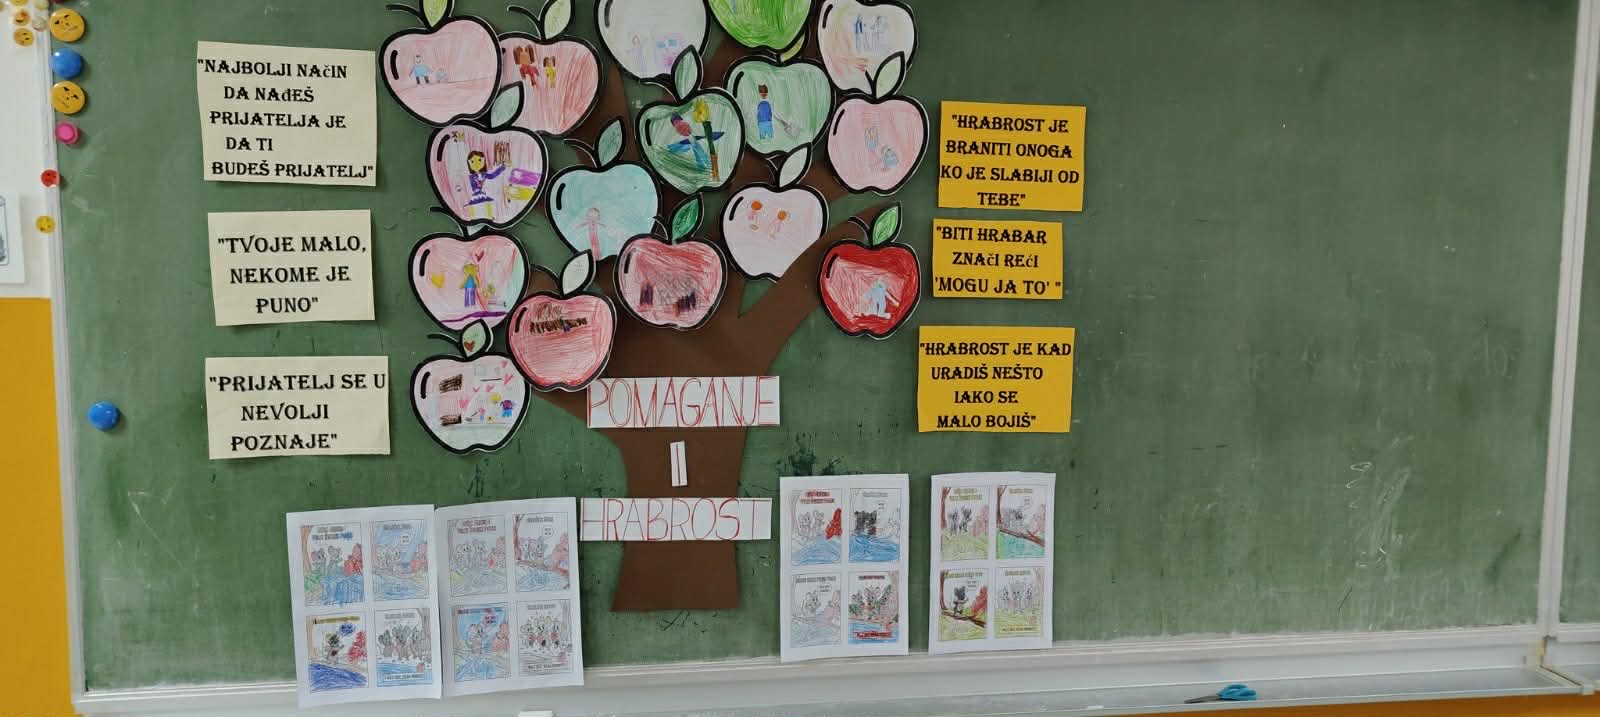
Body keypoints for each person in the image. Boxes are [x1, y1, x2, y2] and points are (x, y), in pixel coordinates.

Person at [464, 150, 507, 220]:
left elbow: (492, 175)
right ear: (469, 164)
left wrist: (502, 168)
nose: (476, 164)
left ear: (483, 161)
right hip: (476, 193)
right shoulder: (472, 176)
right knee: (473, 205)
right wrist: (478, 184)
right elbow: (473, 185)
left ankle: (489, 216)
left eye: (479, 160)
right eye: (472, 161)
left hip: (482, 192)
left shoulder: (484, 174)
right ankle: (473, 217)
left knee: (487, 203)